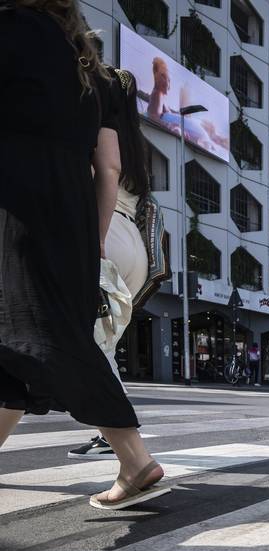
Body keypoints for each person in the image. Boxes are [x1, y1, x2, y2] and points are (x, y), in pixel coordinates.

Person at [1, 0, 167, 510]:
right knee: (20, 341)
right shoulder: (85, 65)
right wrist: (90, 238)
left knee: (42, 331)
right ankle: (134, 458)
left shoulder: (11, 31)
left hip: (21, 203)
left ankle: (135, 458)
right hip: (77, 210)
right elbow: (109, 162)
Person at [68, 67, 152, 459]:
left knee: (87, 343)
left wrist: (95, 240)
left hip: (106, 233)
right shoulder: (137, 142)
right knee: (104, 342)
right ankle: (115, 436)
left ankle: (123, 440)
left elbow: (105, 172)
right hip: (134, 244)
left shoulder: (99, 128)